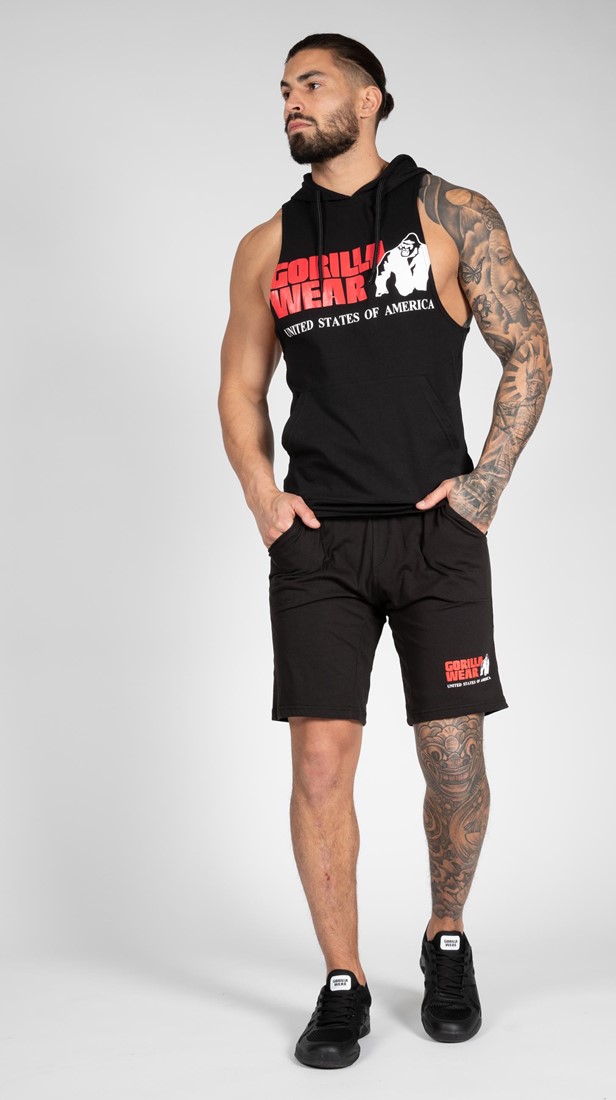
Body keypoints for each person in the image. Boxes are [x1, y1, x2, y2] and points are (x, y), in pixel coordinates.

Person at [218, 32, 553, 1069]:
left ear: (369, 100)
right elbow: (239, 386)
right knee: (320, 763)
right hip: (318, 546)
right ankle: (342, 978)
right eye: (284, 89)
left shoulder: (449, 213)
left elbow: (527, 351)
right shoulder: (268, 245)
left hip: (434, 539)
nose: (291, 101)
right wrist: (263, 497)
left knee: (453, 760)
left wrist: (483, 486)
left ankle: (445, 934)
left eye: (311, 84)